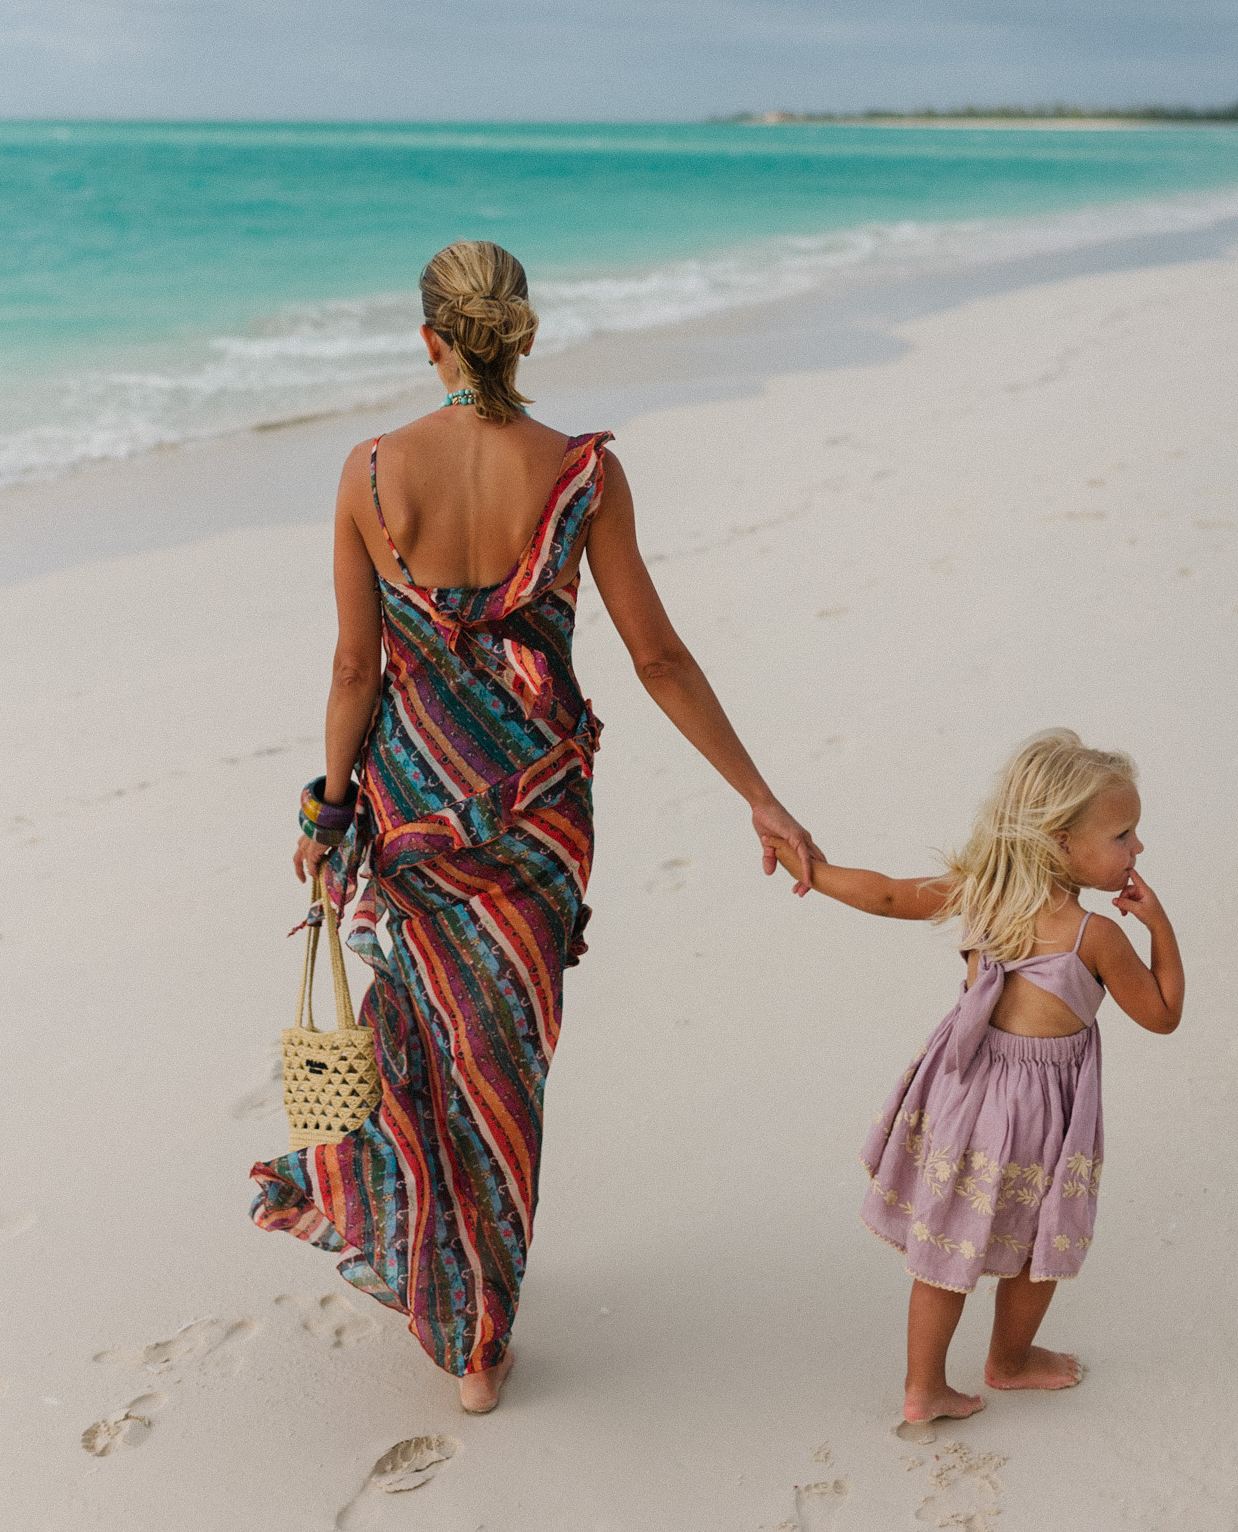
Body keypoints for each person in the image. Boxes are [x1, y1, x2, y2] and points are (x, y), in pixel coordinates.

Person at [251, 239, 819, 1414]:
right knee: (505, 1059)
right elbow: (656, 656)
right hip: (539, 818)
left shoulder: (368, 474)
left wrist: (329, 804)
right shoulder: (582, 475)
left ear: (430, 338)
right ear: (523, 334)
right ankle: (482, 1335)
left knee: (417, 1038)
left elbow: (356, 667)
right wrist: (757, 793)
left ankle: (449, 1295)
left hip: (410, 811)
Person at [763, 728, 1184, 1425]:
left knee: (944, 1241)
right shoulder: (1094, 936)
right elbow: (1164, 1013)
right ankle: (1009, 1362)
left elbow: (889, 896)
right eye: (1124, 834)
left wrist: (810, 867)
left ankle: (923, 1388)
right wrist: (1160, 927)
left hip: (962, 1093)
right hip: (1041, 1112)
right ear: (1059, 842)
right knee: (1035, 1239)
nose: (1137, 848)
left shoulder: (983, 891)